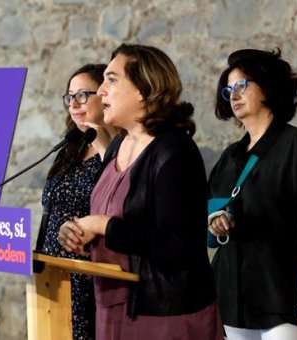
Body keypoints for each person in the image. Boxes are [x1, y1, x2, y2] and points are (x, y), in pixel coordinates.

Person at [57, 43, 223, 340]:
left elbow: (177, 245)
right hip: (113, 305)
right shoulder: (118, 146)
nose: (102, 91)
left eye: (111, 80)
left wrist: (102, 225)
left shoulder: (174, 151)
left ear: (143, 90)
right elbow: (112, 217)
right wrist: (78, 232)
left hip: (164, 313)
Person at [208, 48, 297, 340]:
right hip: (232, 298)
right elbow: (210, 218)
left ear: (268, 86)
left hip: (282, 298)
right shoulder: (230, 156)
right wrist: (214, 222)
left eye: (241, 86)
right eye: (228, 91)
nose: (233, 95)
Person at [38, 63, 118, 340]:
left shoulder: (120, 149)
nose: (74, 104)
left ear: (105, 94)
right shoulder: (71, 147)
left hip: (87, 273)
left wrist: (103, 141)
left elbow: (117, 193)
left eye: (83, 94)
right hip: (51, 269)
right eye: (69, 96)